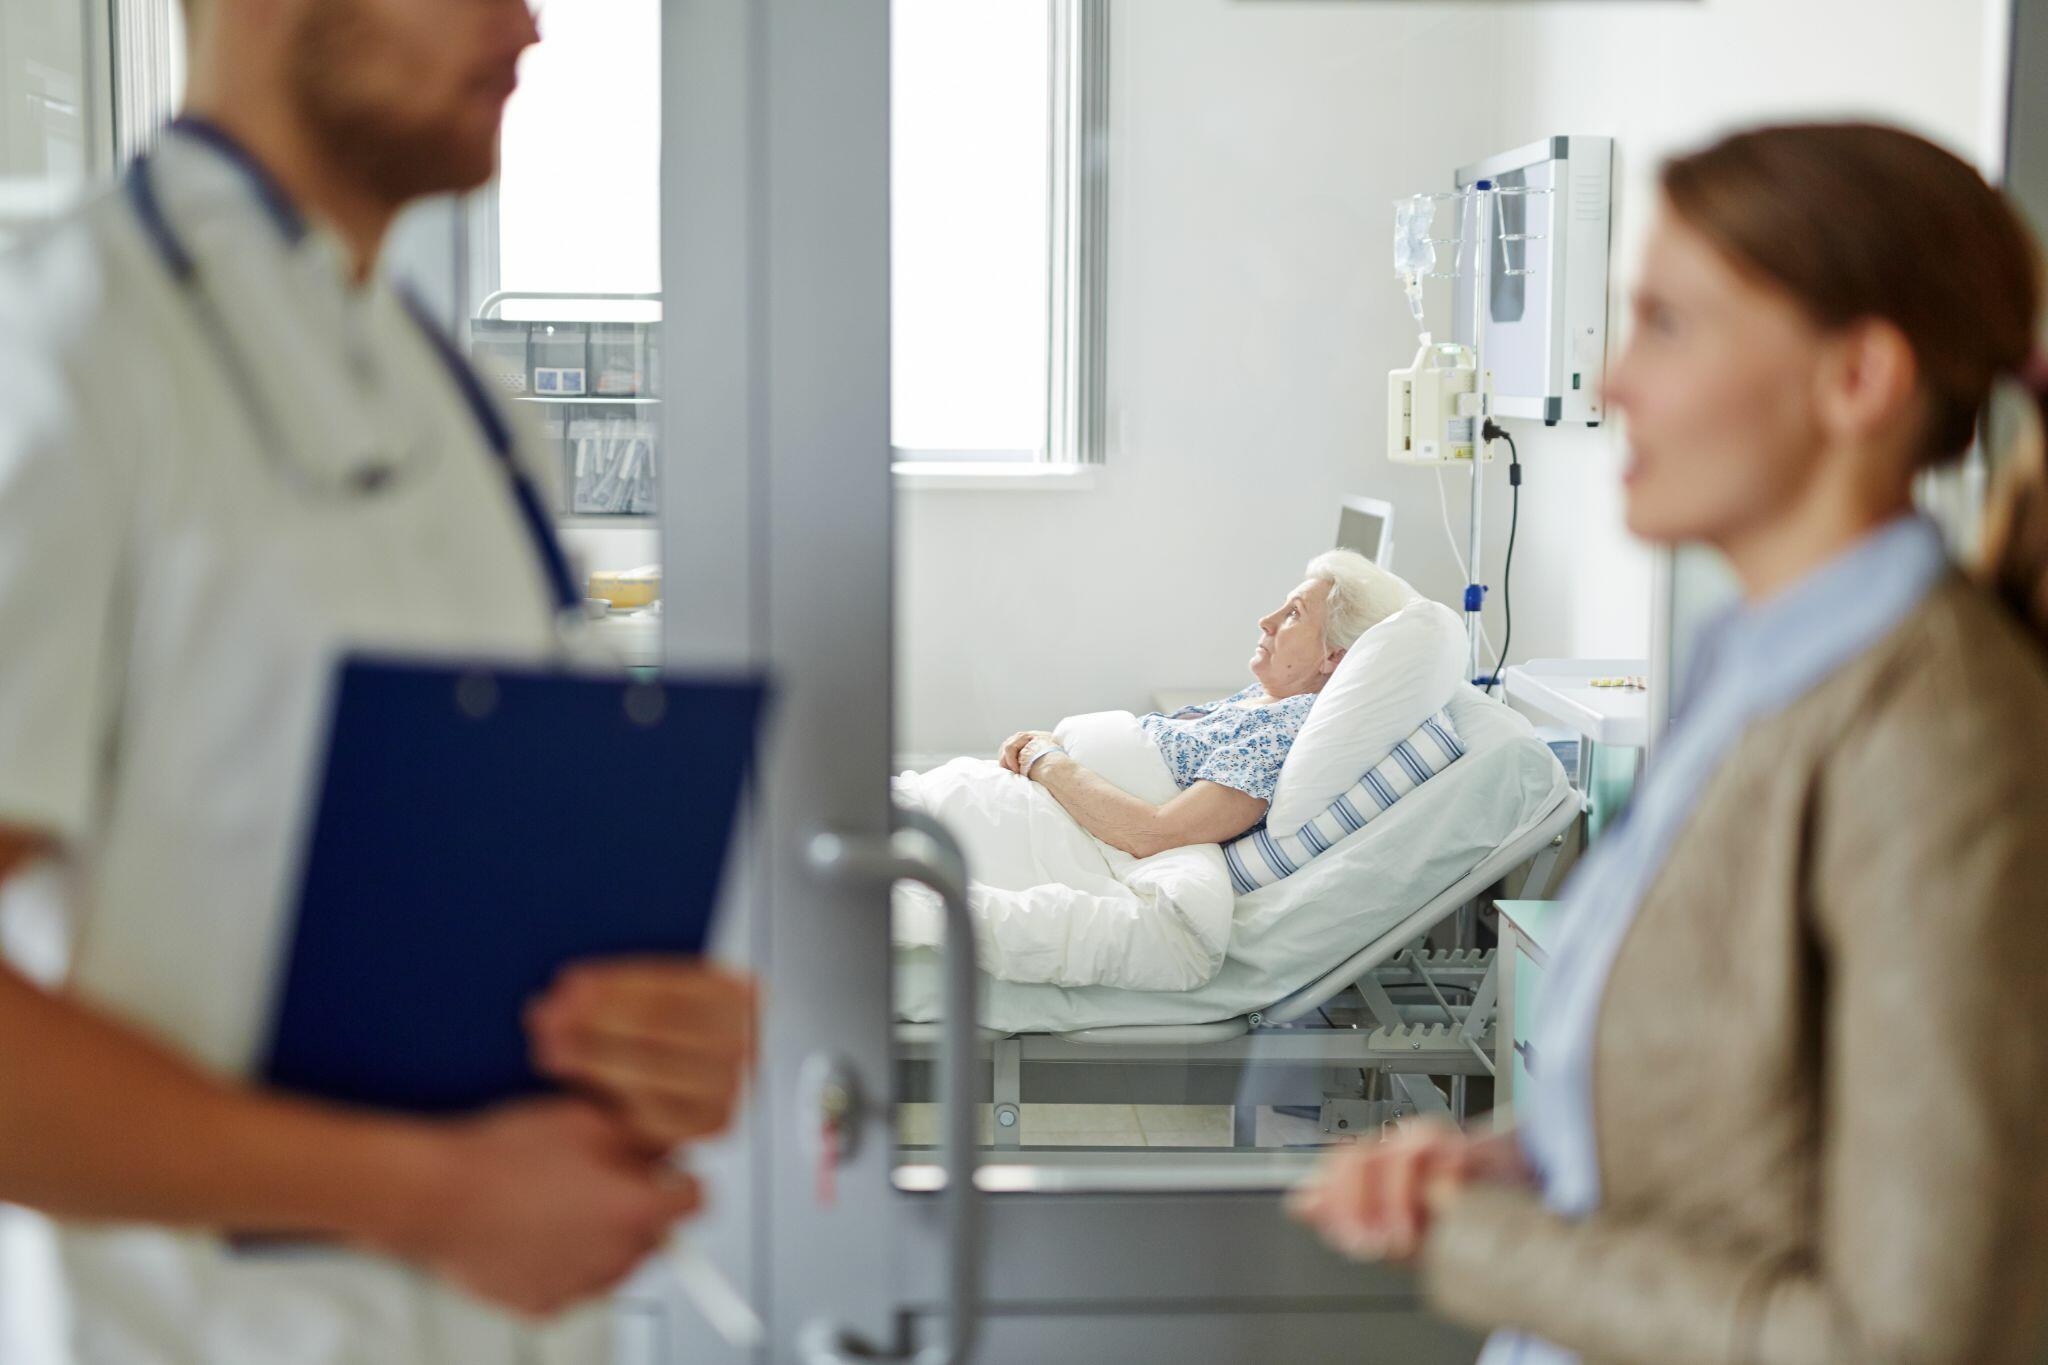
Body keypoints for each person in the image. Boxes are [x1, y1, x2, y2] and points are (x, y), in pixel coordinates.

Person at [0, 1, 752, 1361]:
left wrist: (647, 1039)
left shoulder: (467, 411)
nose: (526, 26)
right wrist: (434, 1199)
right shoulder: (60, 351)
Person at [1291, 122, 2048, 1364]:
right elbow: (1754, 1138)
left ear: (1856, 377)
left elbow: (1901, 1340)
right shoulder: (1753, 674)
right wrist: (1518, 1164)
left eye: (1666, 325)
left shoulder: (1938, 745)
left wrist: (1489, 1244)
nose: (1610, 385)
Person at [997, 549, 1419, 857]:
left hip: (1056, 828)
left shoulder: (1283, 733)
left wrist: (1046, 761)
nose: (1266, 621)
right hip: (1042, 802)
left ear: (1334, 657)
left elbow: (1156, 833)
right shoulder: (1265, 697)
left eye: (1293, 614)